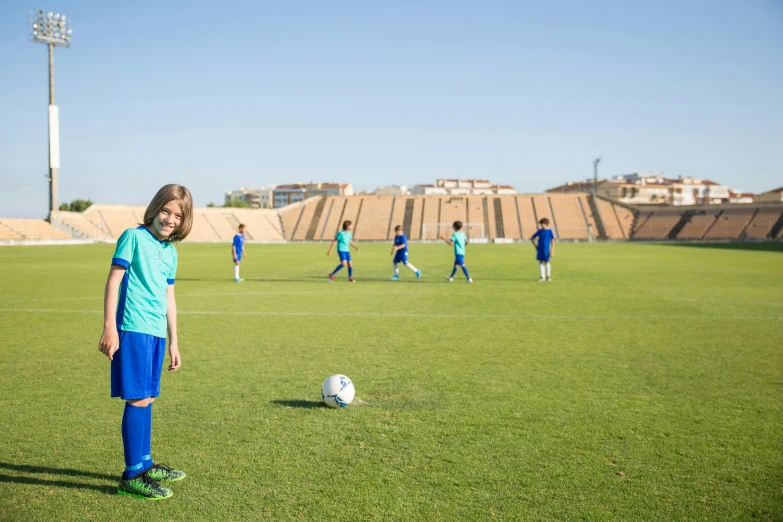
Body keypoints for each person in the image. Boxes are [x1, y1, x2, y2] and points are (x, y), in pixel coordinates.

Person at [98, 184, 193, 500]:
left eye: (177, 216)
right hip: (133, 328)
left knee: (148, 398)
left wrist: (174, 342)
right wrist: (109, 327)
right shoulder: (133, 237)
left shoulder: (171, 251)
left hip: (156, 331)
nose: (169, 219)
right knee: (137, 399)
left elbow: (170, 297)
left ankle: (145, 464)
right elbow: (113, 281)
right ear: (155, 209)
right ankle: (131, 475)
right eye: (166, 211)